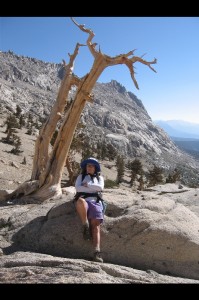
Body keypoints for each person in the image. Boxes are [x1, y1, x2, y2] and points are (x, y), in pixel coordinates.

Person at [74, 157, 104, 263]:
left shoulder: (100, 178)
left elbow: (100, 188)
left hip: (95, 201)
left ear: (95, 168)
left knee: (96, 226)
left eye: (91, 165)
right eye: (87, 165)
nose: (89, 167)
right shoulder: (81, 177)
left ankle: (97, 252)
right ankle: (85, 224)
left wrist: (87, 185)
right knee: (81, 201)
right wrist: (92, 188)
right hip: (83, 200)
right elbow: (78, 189)